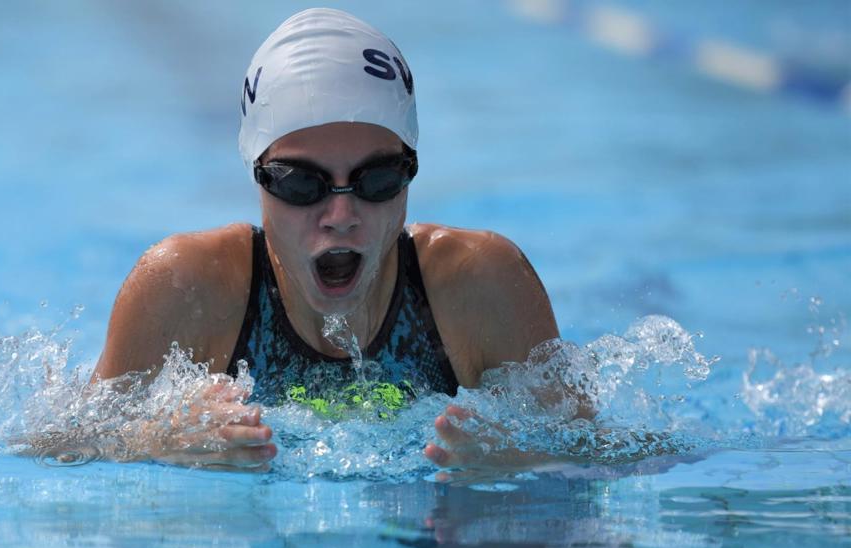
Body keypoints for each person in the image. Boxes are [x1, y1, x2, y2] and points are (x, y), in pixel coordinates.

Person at [92, 8, 565, 471]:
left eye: (377, 179)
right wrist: (161, 438)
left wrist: (524, 454)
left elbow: (609, 452)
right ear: (258, 179)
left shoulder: (480, 285)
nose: (341, 216)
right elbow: (58, 440)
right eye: (302, 183)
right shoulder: (184, 287)